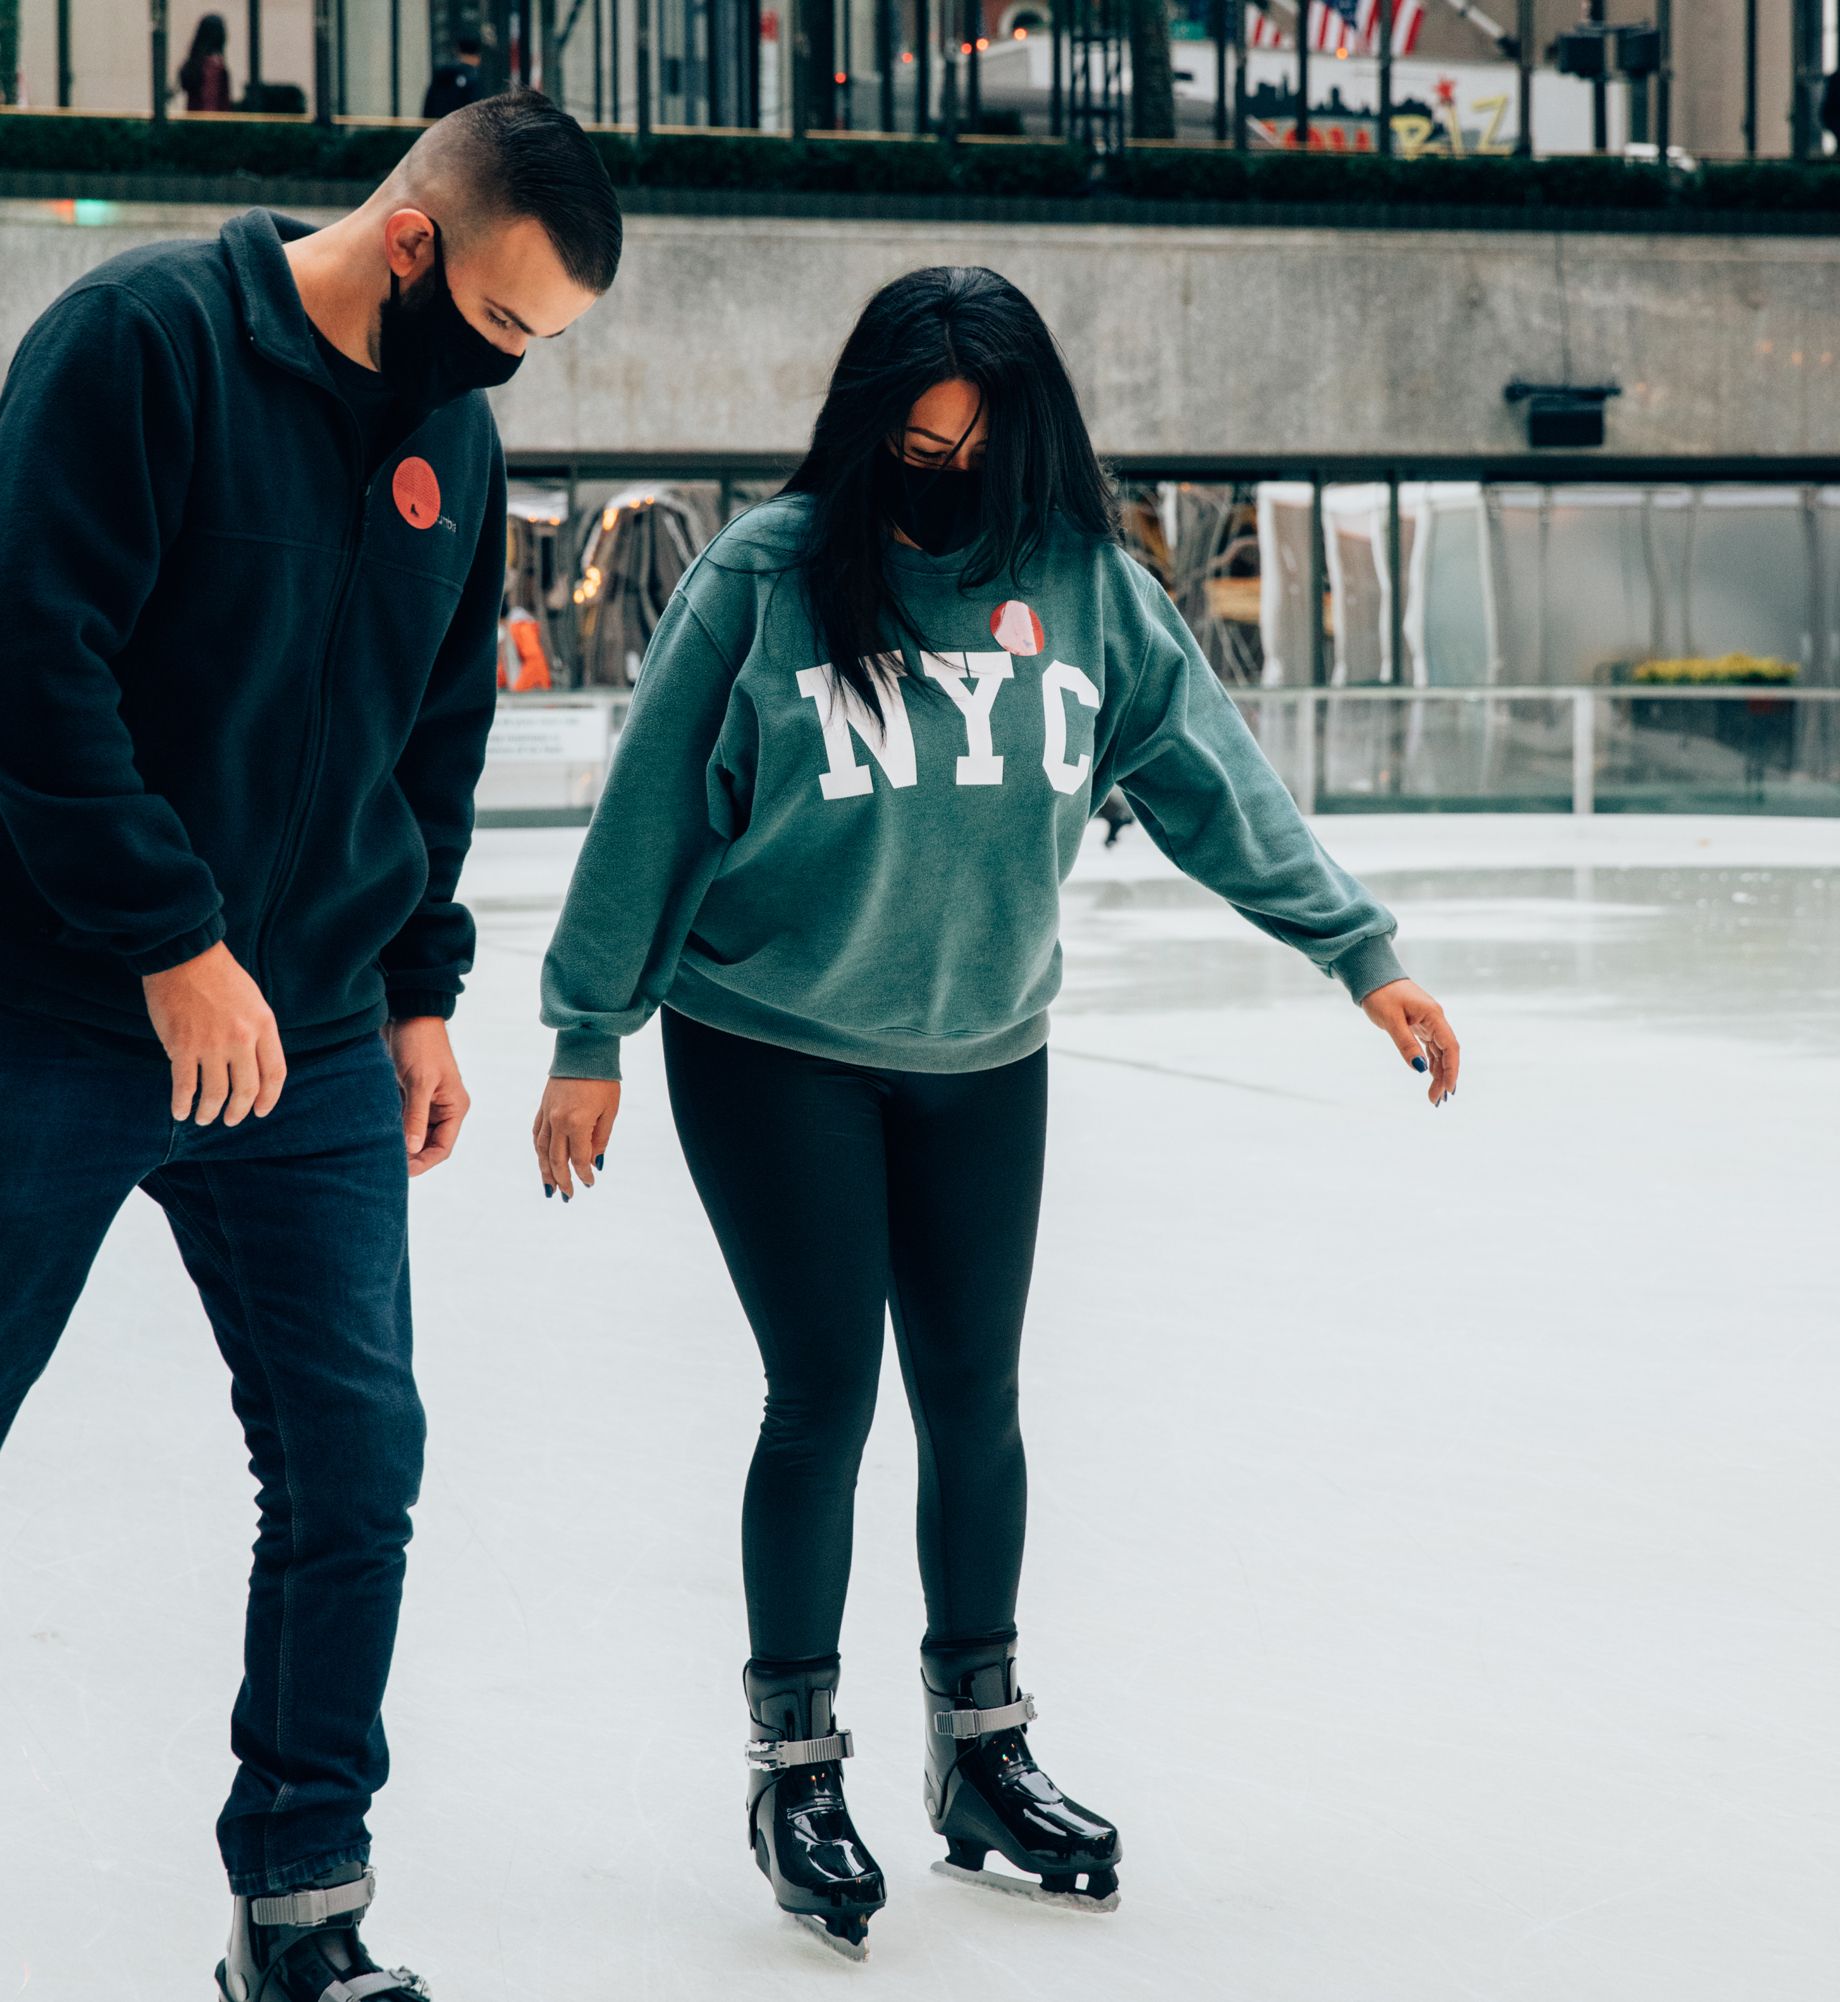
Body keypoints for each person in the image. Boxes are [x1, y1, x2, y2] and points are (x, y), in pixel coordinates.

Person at [532, 265, 1461, 1955]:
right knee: (823, 1395)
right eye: (911, 438)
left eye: (970, 442)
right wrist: (589, 1027)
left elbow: (1212, 779)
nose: (938, 471)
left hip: (982, 1053)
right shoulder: (770, 576)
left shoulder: (1090, 591)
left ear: (1029, 433)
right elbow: (656, 803)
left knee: (975, 1398)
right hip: (771, 1040)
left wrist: (1359, 951)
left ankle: (983, 1753)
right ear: (867, 424)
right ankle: (797, 1765)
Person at [0, 90, 620, 2002]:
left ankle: (302, 1906)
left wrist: (419, 992)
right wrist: (175, 940)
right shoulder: (145, 346)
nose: (511, 367)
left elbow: (436, 747)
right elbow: (30, 664)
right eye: (508, 322)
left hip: (323, 1049)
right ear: (415, 243)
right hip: (64, 1008)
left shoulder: (456, 443)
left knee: (354, 1459)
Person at [179, 12, 233, 112]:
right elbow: (210, 99)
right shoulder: (214, 65)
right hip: (211, 122)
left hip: (193, 119)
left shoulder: (194, 62)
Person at [423, 34, 486, 120]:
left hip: (436, 127)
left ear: (457, 50)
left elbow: (428, 106)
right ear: (478, 55)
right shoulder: (473, 79)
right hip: (460, 128)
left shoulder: (442, 74)